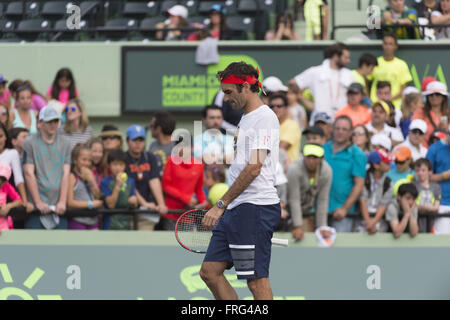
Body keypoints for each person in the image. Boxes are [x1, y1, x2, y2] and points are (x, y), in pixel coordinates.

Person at [200, 62, 281, 300]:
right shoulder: (246, 118)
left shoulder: (265, 118)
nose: (224, 99)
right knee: (209, 272)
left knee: (256, 283)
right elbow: (246, 162)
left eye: (228, 92)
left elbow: (254, 167)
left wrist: (221, 204)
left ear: (245, 87)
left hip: (254, 208)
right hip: (237, 208)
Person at [23, 106, 71, 229]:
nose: (53, 125)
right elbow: (29, 173)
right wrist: (38, 202)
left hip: (59, 209)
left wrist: (62, 201)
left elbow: (66, 174)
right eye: (49, 121)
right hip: (36, 209)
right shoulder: (29, 142)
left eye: (55, 121)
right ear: (40, 122)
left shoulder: (66, 143)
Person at [290, 42, 354, 121]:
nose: (348, 61)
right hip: (320, 121)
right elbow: (292, 84)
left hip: (341, 122)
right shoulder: (315, 72)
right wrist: (303, 100)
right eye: (346, 57)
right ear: (335, 56)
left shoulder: (349, 74)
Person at [324, 115, 366, 232]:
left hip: (342, 213)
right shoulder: (323, 148)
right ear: (332, 129)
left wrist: (344, 208)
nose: (340, 132)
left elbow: (359, 184)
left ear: (350, 132)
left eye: (344, 129)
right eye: (337, 128)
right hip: (320, 210)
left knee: (339, 248)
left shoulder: (357, 154)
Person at [159, 133, 207, 230]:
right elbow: (166, 186)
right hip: (172, 214)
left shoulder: (199, 165)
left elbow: (198, 188)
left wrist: (203, 202)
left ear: (192, 147)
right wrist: (186, 199)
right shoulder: (170, 161)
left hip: (189, 215)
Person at [125, 125, 167, 231]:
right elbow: (129, 185)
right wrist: (145, 203)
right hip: (128, 210)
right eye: (134, 140)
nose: (138, 143)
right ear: (127, 141)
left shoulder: (149, 157)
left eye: (141, 140)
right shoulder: (123, 158)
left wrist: (161, 204)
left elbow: (154, 181)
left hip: (147, 213)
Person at [287, 143, 332, 240]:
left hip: (308, 210)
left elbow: (323, 199)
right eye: (308, 157)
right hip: (287, 210)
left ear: (321, 158)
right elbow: (294, 199)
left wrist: (322, 226)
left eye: (315, 157)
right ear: (303, 156)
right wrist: (298, 225)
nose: (311, 161)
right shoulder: (294, 169)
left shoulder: (327, 171)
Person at [369, 33, 413, 109]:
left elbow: (404, 88)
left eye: (390, 44)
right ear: (382, 45)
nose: (387, 47)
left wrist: (391, 99)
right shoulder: (374, 62)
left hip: (394, 106)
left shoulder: (401, 64)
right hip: (375, 105)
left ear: (395, 46)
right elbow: (367, 82)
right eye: (385, 43)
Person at [67, 143, 103, 230]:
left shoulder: (89, 175)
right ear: (75, 160)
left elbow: (98, 196)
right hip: (77, 220)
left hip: (92, 220)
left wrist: (92, 181)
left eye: (89, 160)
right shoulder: (72, 177)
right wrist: (90, 204)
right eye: (84, 160)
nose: (87, 163)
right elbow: (70, 202)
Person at [357, 149, 393, 234]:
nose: (390, 165)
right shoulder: (364, 179)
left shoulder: (388, 182)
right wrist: (368, 222)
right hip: (361, 219)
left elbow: (383, 206)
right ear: (376, 165)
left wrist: (372, 223)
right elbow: (363, 201)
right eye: (386, 163)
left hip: (380, 221)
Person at [100, 149, 138, 230]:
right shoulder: (105, 182)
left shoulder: (131, 181)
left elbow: (134, 204)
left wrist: (134, 202)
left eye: (121, 164)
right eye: (115, 164)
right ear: (109, 165)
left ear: (125, 166)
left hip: (126, 226)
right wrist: (117, 185)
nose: (118, 168)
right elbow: (110, 205)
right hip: (110, 225)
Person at [0, 123, 30, 212]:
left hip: (6, 203)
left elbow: (19, 179)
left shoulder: (12, 153)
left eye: (0, 136)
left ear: (5, 137)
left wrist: (24, 202)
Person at [426, 128, 450, 234]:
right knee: (444, 241)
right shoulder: (434, 149)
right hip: (442, 202)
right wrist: (445, 175)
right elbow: (424, 176)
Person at [412, 81, 449, 147]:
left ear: (443, 97)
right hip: (424, 150)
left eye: (437, 94)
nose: (434, 97)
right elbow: (414, 131)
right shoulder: (419, 112)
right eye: (431, 95)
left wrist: (446, 130)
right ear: (427, 97)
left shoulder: (448, 113)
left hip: (444, 151)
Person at [269, 93, 301, 164]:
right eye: (272, 106)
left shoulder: (292, 125)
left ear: (286, 108)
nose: (275, 109)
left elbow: (281, 147)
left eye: (279, 106)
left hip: (288, 171)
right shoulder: (268, 126)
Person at [413, 157, 441, 232]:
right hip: (416, 221)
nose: (420, 173)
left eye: (423, 170)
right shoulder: (412, 186)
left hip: (431, 222)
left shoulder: (436, 187)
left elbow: (436, 207)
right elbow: (413, 206)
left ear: (430, 172)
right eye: (417, 170)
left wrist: (424, 207)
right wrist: (425, 207)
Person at [149, 111, 176, 177]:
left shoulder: (178, 147)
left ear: (158, 129)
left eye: (151, 126)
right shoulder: (152, 145)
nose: (150, 129)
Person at [0, 163, 22, 230]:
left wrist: (7, 206)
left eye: (3, 179)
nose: (0, 181)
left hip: (3, 224)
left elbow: (19, 201)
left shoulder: (6, 186)